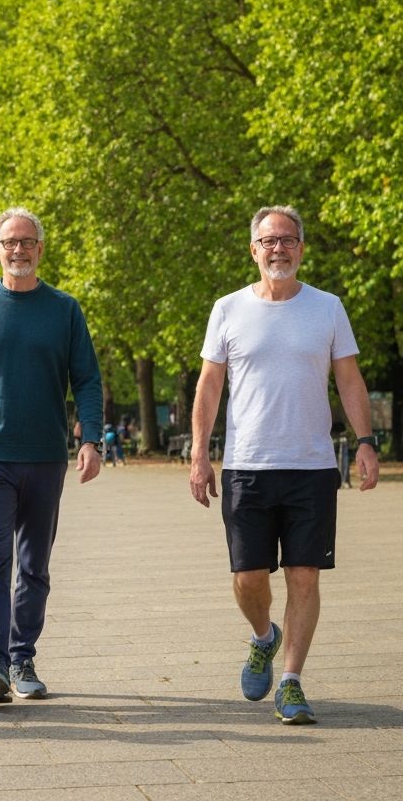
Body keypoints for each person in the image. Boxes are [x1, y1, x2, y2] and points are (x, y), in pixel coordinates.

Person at [190, 205, 380, 725]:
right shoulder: (227, 308)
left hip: (312, 466)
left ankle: (292, 681)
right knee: (248, 577)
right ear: (254, 249)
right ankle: (263, 637)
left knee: (304, 574)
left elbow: (349, 379)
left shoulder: (327, 308)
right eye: (269, 241)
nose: (279, 249)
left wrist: (365, 441)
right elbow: (209, 385)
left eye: (289, 240)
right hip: (247, 466)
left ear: (301, 247)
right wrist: (199, 451)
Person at [0, 207, 104, 703]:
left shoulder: (65, 309)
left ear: (40, 248)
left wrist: (91, 439)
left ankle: (22, 655)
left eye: (27, 241)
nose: (18, 250)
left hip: (46, 457)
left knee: (34, 564)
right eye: (9, 242)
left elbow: (88, 380)